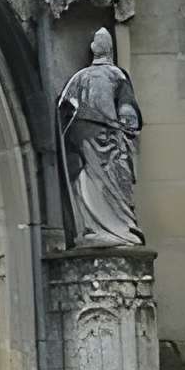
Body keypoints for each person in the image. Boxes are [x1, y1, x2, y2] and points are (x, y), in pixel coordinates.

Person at [57, 26, 143, 248]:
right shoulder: (117, 74)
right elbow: (128, 112)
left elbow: (63, 105)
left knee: (87, 177)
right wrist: (128, 133)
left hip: (81, 132)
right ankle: (119, 230)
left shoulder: (79, 76)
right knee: (112, 176)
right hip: (106, 131)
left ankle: (94, 228)